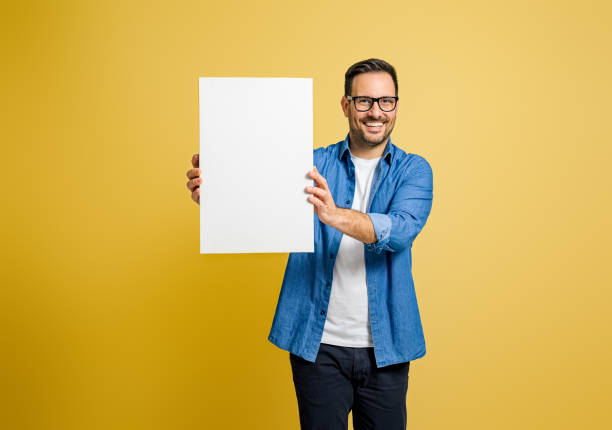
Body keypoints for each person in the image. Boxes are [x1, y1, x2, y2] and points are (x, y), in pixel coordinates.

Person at [186, 58, 433, 430]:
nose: (376, 112)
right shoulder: (312, 164)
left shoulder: (414, 170)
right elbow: (260, 199)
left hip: (387, 350)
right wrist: (217, 195)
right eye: (364, 101)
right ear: (346, 105)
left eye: (386, 101)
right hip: (318, 347)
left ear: (396, 105)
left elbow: (399, 231)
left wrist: (334, 214)